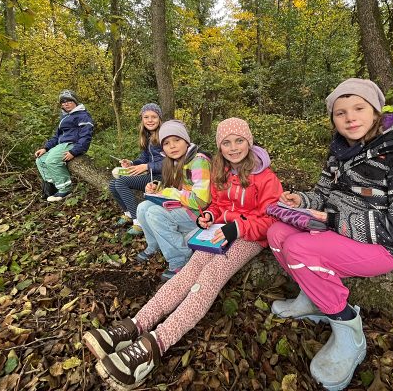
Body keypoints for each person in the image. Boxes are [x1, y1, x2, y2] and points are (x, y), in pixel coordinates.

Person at [83, 117, 283, 390]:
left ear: (249, 142)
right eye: (226, 143)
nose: (233, 147)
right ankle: (137, 324)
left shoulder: (266, 176)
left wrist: (237, 228)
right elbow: (218, 204)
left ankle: (157, 343)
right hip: (218, 232)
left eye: (239, 141)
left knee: (209, 277)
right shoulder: (222, 170)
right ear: (220, 147)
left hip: (249, 237)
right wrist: (210, 215)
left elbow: (272, 217)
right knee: (188, 272)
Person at [267, 78, 393, 391]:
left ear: (376, 112)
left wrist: (334, 221)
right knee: (276, 232)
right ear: (333, 119)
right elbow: (322, 195)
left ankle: (349, 332)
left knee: (299, 247)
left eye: (359, 108)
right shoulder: (339, 153)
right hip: (336, 231)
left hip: (383, 247)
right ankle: (312, 300)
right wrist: (300, 201)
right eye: (340, 112)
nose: (350, 118)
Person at [134, 119, 211, 281]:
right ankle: (154, 244)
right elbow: (172, 188)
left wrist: (171, 192)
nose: (172, 146)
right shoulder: (172, 162)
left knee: (155, 213)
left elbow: (201, 201)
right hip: (182, 208)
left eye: (177, 140)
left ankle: (180, 259)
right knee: (142, 207)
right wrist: (157, 189)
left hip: (200, 215)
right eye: (167, 143)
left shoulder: (198, 162)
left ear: (186, 141)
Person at [109, 103, 164, 235]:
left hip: (162, 177)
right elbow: (144, 157)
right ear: (142, 119)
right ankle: (128, 213)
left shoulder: (164, 135)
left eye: (154, 117)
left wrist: (147, 166)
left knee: (121, 182)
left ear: (160, 118)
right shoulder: (147, 135)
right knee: (112, 184)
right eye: (146, 117)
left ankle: (138, 222)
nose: (150, 120)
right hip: (151, 173)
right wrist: (132, 163)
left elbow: (171, 162)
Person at [34, 90, 94, 202]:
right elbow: (57, 136)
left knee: (51, 161)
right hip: (61, 145)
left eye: (69, 101)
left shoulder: (83, 115)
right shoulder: (65, 117)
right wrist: (45, 148)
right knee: (40, 160)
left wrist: (74, 151)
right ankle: (53, 186)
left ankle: (65, 189)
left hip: (72, 144)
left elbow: (86, 136)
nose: (65, 104)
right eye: (63, 102)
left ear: (75, 102)